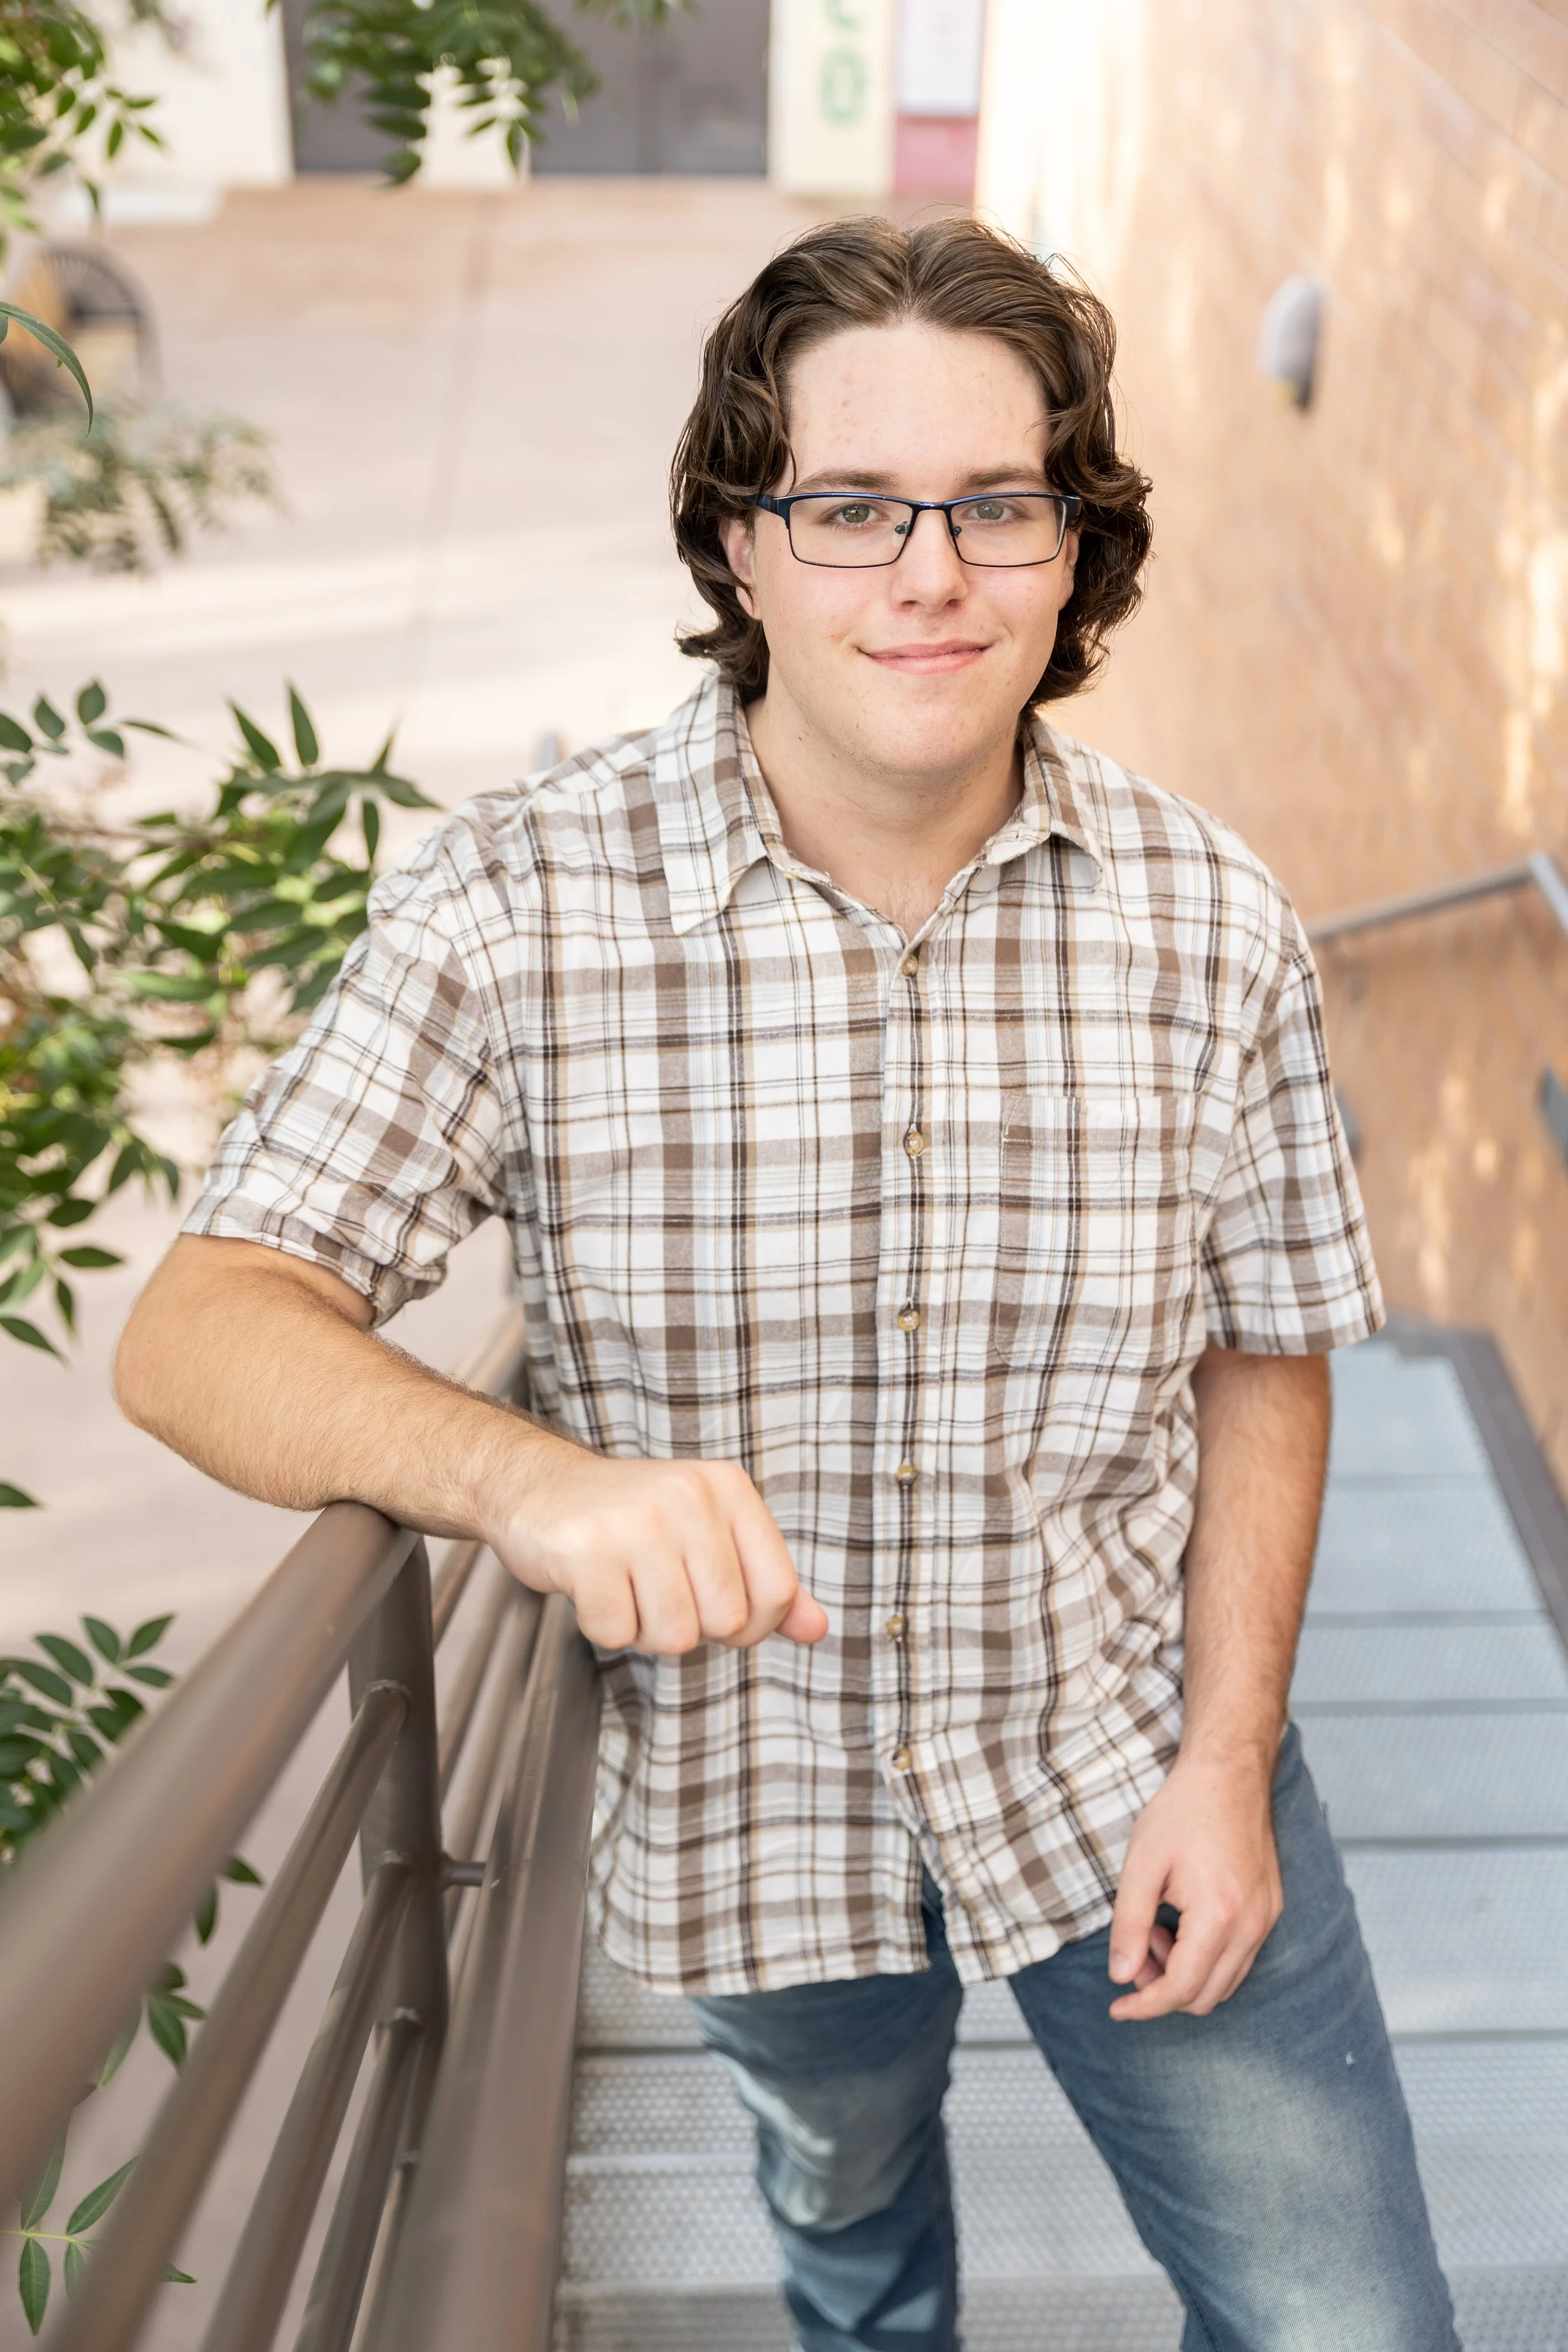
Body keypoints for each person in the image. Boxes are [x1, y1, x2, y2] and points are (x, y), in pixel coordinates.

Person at [115, 217, 1458, 2352]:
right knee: (850, 2251)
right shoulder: (515, 909)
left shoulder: (1212, 920)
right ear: (743, 548)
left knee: (1351, 2329)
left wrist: (1225, 1755)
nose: (924, 572)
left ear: (1067, 547)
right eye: (846, 508)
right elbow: (198, 1323)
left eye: (994, 504)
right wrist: (534, 1487)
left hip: (1122, 1746)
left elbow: (1261, 1357)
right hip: (761, 1808)